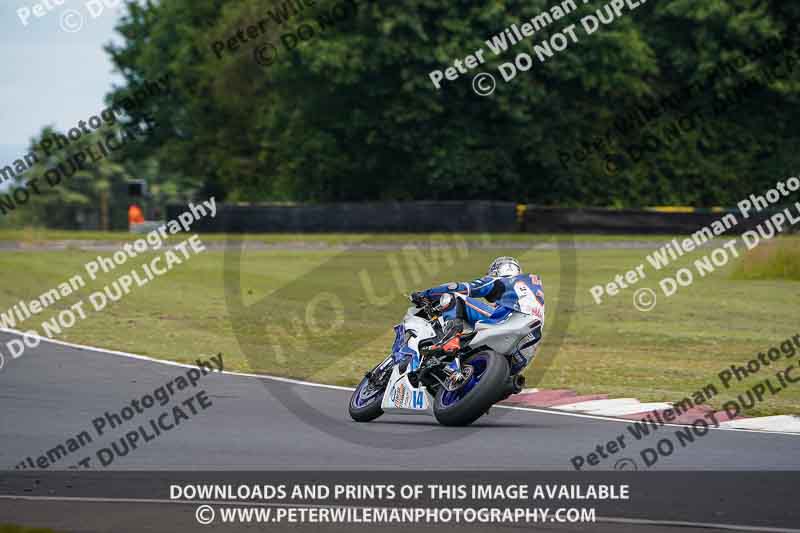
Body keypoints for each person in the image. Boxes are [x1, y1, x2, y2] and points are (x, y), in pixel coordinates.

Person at [410, 256, 544, 372]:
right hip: (528, 345)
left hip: (507, 320)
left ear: (497, 270)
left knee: (455, 298)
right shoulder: (530, 286)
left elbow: (460, 288)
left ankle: (450, 339)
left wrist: (425, 294)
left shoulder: (500, 280)